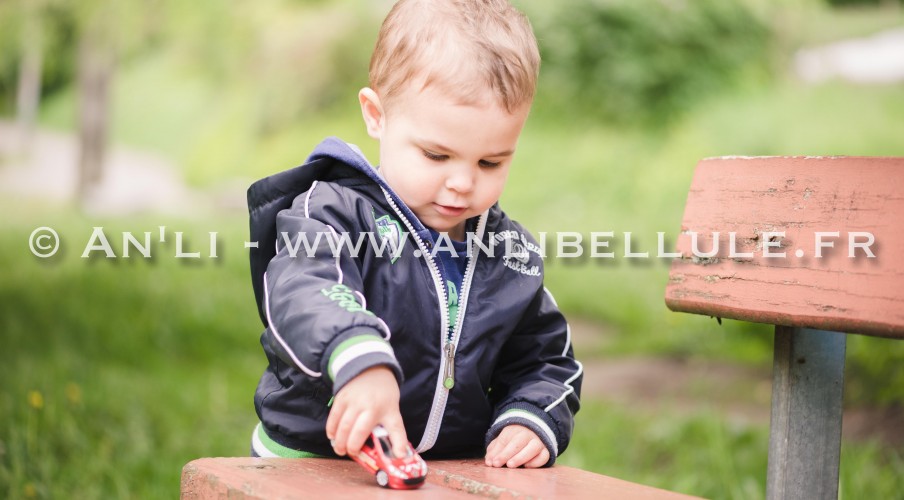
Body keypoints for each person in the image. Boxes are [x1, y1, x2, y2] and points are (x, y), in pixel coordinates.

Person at [247, 0, 582, 469]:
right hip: (315, 459)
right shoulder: (330, 214)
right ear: (376, 115)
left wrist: (531, 416)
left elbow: (545, 359)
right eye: (436, 156)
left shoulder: (509, 255)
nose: (462, 183)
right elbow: (305, 290)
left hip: (443, 469)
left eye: (490, 162)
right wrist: (358, 357)